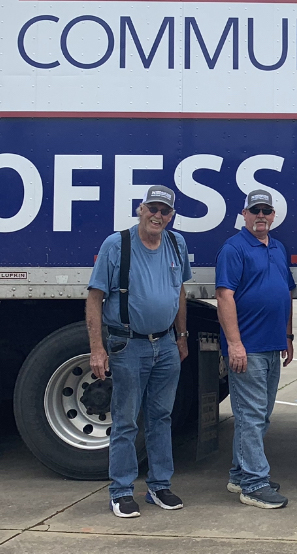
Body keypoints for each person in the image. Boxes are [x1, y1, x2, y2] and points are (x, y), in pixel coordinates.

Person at [86, 185, 191, 518]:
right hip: (128, 345)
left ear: (171, 216)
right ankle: (120, 491)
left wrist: (182, 336)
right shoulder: (117, 245)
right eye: (153, 209)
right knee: (127, 421)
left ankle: (159, 486)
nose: (158, 216)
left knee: (161, 418)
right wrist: (97, 348)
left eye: (165, 212)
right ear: (140, 209)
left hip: (166, 345)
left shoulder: (176, 243)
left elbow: (180, 292)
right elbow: (94, 298)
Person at [216, 190, 294, 510]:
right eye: (255, 210)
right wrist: (235, 344)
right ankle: (254, 483)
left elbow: (286, 292)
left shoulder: (278, 247)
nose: (260, 215)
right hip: (247, 347)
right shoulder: (233, 248)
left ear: (273, 215)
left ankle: (239, 473)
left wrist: (288, 336)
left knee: (260, 415)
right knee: (250, 415)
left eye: (266, 210)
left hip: (273, 344)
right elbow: (224, 297)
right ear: (244, 214)